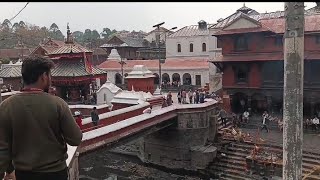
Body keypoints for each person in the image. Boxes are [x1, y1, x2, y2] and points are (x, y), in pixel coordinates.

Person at [0, 56, 83, 180]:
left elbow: (2, 149)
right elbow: (75, 139)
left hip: (23, 174)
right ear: (44, 76)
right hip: (56, 173)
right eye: (50, 76)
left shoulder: (6, 106)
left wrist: (6, 172)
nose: (51, 79)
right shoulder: (58, 104)